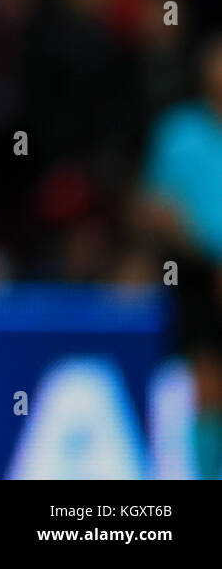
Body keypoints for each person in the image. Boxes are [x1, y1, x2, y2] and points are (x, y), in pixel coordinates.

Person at [140, 32, 222, 480]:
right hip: (193, 274)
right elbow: (151, 207)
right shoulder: (178, 132)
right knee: (207, 386)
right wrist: (201, 250)